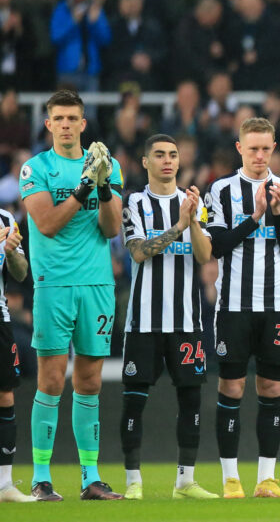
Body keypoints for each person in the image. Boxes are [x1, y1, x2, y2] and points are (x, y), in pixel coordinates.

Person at [19, 89, 124, 500]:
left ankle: (90, 477)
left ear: (83, 123)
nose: (65, 125)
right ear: (48, 124)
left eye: (72, 118)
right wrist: (82, 186)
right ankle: (41, 477)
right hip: (54, 284)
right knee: (50, 380)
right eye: (58, 118)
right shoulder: (35, 168)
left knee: (90, 381)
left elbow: (112, 228)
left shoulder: (107, 165)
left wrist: (101, 187)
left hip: (97, 284)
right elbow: (46, 224)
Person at [205, 117, 280, 498]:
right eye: (253, 149)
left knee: (272, 388)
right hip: (233, 304)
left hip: (277, 304)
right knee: (231, 387)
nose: (260, 155)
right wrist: (256, 216)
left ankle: (266, 479)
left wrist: (277, 214)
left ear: (274, 148)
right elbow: (217, 246)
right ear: (239, 148)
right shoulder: (221, 190)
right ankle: (231, 479)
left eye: (266, 148)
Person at [119, 134, 218, 500]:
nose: (167, 161)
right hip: (143, 321)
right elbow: (140, 253)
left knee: (191, 399)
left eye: (173, 155)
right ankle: (133, 482)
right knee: (134, 400)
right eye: (159, 155)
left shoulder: (194, 202)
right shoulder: (135, 202)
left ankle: (185, 482)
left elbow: (206, 256)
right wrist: (177, 226)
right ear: (145, 162)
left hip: (187, 322)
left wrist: (191, 221)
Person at [0, 211, 30, 502]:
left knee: (5, 395)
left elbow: (21, 273)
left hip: (0, 317)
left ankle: (4, 485)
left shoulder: (5, 218)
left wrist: (11, 253)